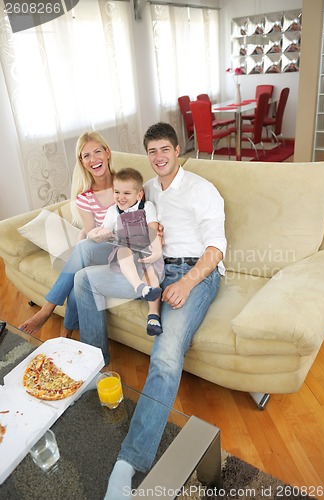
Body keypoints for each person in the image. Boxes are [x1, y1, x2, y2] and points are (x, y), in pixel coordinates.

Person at [72, 122, 227, 499]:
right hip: (151, 267)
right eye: (152, 151)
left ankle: (129, 461)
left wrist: (187, 282)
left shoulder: (202, 191)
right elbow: (120, 222)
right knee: (84, 281)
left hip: (194, 273)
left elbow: (216, 249)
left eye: (165, 149)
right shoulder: (146, 190)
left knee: (166, 354)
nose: (159, 157)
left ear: (177, 150)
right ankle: (98, 369)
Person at [19, 130, 116, 338]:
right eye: (86, 156)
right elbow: (92, 233)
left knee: (81, 251)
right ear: (81, 162)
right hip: (100, 250)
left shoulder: (125, 182)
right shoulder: (85, 197)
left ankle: (49, 313)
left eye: (97, 152)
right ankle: (64, 338)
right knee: (80, 278)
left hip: (124, 251)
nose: (93, 159)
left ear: (107, 153)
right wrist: (87, 235)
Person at [88, 168, 164, 336]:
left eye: (126, 193)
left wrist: (156, 249)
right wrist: (99, 233)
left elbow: (153, 227)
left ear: (139, 195)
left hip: (145, 250)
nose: (120, 197)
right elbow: (105, 229)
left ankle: (153, 316)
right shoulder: (112, 211)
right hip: (125, 253)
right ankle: (139, 287)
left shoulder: (147, 207)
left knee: (150, 272)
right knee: (123, 251)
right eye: (117, 192)